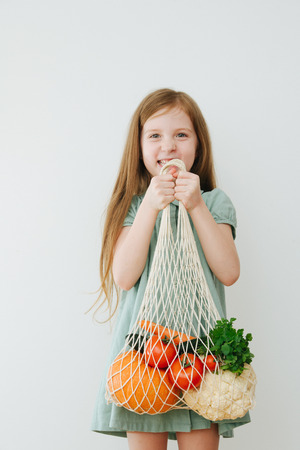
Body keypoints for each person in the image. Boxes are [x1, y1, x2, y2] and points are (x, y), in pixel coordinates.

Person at [90, 88, 251, 450]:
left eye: (181, 134)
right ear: (140, 147)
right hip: (143, 360)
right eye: (155, 135)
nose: (169, 146)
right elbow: (124, 276)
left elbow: (229, 271)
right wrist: (149, 206)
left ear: (198, 144)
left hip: (201, 358)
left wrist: (195, 206)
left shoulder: (213, 201)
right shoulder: (133, 205)